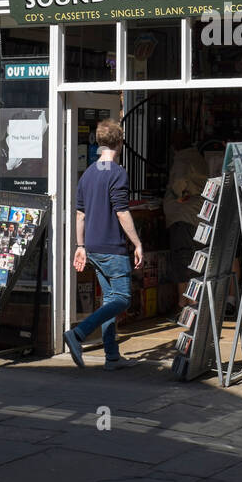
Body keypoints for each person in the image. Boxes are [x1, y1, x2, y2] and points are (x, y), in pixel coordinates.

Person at [65, 119, 143, 370]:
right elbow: (122, 212)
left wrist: (81, 246)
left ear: (99, 143)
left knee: (110, 301)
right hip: (112, 248)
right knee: (122, 299)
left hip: (93, 247)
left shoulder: (87, 174)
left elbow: (80, 214)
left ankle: (111, 357)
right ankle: (79, 333)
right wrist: (138, 243)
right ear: (119, 142)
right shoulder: (118, 173)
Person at [163, 128, 208, 311]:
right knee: (195, 257)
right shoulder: (198, 158)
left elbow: (179, 183)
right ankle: (194, 299)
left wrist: (179, 194)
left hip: (182, 216)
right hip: (197, 215)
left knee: (182, 259)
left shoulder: (181, 159)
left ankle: (185, 302)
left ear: (174, 146)